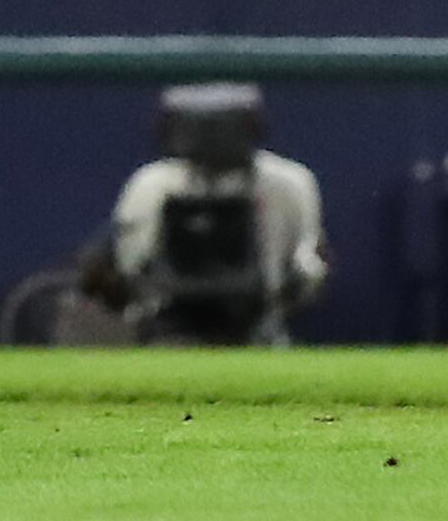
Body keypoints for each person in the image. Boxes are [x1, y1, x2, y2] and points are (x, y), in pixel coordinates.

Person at [97, 83, 328, 346]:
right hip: (166, 330)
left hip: (256, 331)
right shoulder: (152, 185)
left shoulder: (287, 184)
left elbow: (306, 269)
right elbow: (128, 267)